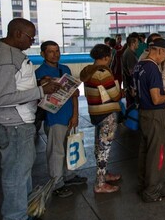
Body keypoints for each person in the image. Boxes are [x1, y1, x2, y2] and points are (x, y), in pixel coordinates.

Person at [0, 18, 60, 220]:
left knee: (21, 169)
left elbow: (12, 87)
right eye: (30, 37)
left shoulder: (5, 54)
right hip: (13, 124)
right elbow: (2, 96)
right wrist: (41, 91)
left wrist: (37, 85)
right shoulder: (6, 58)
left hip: (13, 121)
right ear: (17, 34)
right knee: (16, 172)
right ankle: (13, 219)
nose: (32, 41)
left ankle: (22, 208)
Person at [35, 41, 86, 199]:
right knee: (56, 151)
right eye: (50, 51)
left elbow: (74, 94)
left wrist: (75, 114)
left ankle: (68, 175)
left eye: (57, 51)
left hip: (68, 115)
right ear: (43, 54)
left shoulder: (65, 69)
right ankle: (56, 183)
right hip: (54, 117)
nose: (55, 54)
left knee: (68, 147)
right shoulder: (39, 73)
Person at [134, 38, 165, 202]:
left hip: (143, 113)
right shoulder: (152, 68)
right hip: (155, 115)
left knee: (145, 150)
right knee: (158, 152)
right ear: (159, 51)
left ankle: (143, 185)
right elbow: (156, 99)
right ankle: (152, 192)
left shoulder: (139, 66)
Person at [80, 44, 123, 194]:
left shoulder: (88, 70)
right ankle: (100, 184)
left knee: (99, 146)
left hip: (95, 113)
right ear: (105, 57)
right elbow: (115, 95)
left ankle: (104, 175)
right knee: (104, 148)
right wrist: (121, 92)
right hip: (107, 114)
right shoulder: (103, 72)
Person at [121, 35, 139, 106]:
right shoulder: (130, 54)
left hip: (129, 85)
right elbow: (132, 73)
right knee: (132, 107)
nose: (138, 44)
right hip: (130, 86)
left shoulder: (129, 52)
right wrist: (133, 88)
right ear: (132, 43)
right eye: (137, 42)